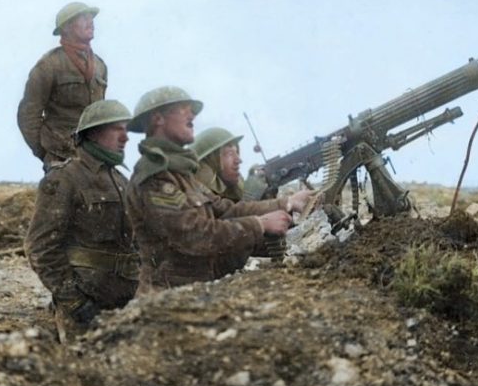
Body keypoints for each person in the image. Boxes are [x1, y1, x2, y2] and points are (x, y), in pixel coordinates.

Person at [125, 86, 314, 288]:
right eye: (183, 109)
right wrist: (259, 224)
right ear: (157, 119)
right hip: (167, 295)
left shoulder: (180, 172)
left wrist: (287, 203)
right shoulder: (155, 177)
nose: (192, 115)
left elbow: (226, 210)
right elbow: (194, 235)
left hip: (194, 289)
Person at [24, 99, 140, 340]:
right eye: (117, 129)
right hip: (85, 303)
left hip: (124, 300)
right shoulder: (64, 179)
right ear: (94, 133)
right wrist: (74, 302)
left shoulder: (121, 180)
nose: (125, 137)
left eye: (126, 129)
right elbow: (40, 248)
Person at [17, 1, 108, 171]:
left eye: (91, 18)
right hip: (60, 158)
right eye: (83, 18)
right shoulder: (48, 65)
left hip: (94, 157)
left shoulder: (100, 66)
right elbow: (28, 115)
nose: (91, 22)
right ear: (66, 27)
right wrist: (45, 152)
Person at [190, 127, 245, 202]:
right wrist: (249, 196)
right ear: (211, 160)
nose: (238, 160)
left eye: (237, 152)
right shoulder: (195, 195)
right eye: (230, 154)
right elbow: (224, 212)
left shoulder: (230, 188)